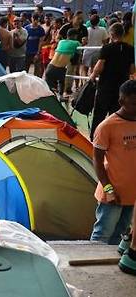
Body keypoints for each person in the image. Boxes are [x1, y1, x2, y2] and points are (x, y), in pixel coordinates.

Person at [90, 80, 136, 249]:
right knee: (102, 234)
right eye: (133, 103)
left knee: (122, 234)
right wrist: (108, 189)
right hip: (112, 193)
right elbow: (98, 161)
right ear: (121, 101)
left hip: (132, 194)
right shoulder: (107, 127)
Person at [88, 23, 135, 137]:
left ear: (112, 34)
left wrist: (92, 77)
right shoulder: (130, 49)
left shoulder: (107, 48)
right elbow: (132, 69)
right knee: (116, 115)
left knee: (99, 114)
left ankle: (95, 137)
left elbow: (100, 66)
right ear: (123, 34)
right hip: (121, 88)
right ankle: (113, 137)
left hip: (106, 86)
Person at [44, 29, 81, 99]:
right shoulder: (77, 43)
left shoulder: (61, 42)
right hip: (60, 68)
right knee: (61, 83)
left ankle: (56, 98)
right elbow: (76, 60)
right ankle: (61, 96)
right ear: (74, 36)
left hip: (50, 67)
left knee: (50, 91)